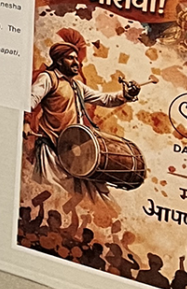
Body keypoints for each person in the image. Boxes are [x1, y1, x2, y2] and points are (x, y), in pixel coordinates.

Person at [26, 35, 139, 191]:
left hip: (72, 150)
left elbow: (105, 99)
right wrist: (26, 123)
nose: (76, 63)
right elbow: (29, 100)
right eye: (70, 58)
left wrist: (126, 94)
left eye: (76, 58)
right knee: (51, 190)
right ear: (59, 61)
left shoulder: (77, 86)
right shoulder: (49, 78)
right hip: (51, 148)